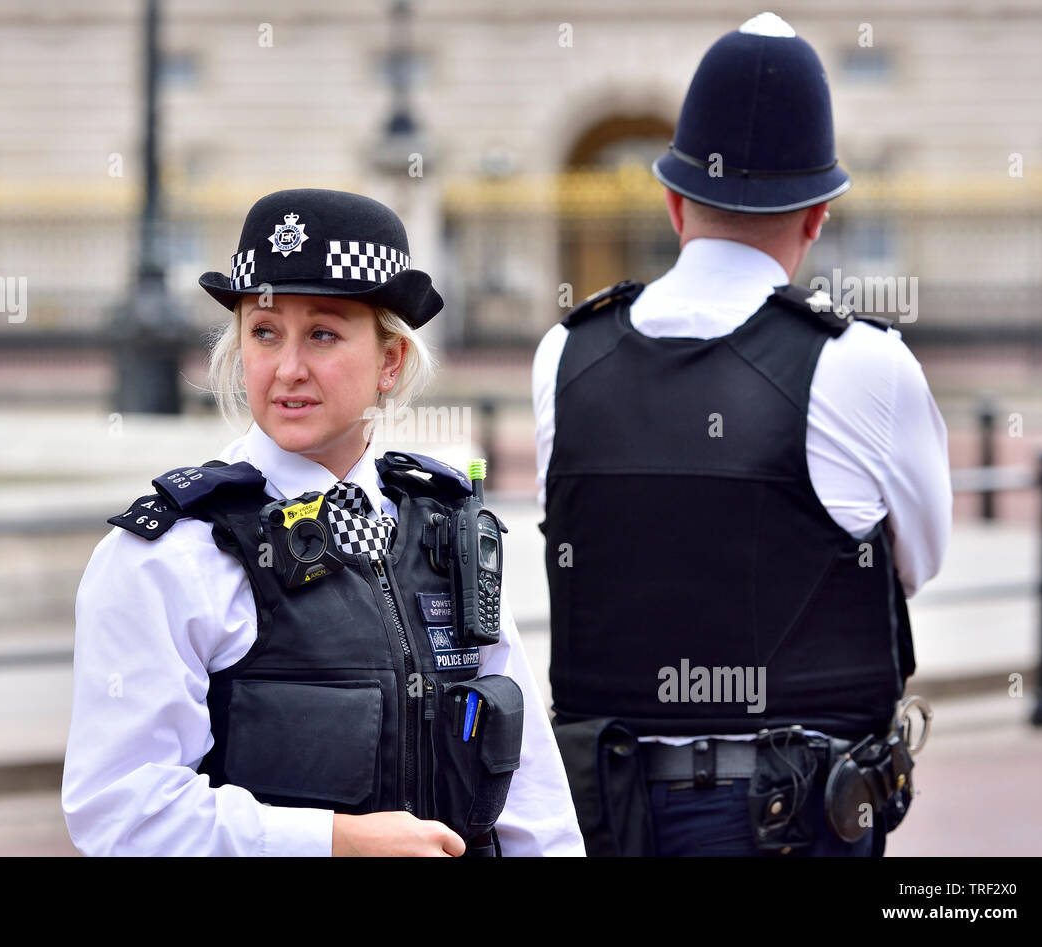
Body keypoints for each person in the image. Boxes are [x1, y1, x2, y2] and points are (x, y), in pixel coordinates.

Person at [533, 14, 951, 857]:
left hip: (608, 808)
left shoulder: (565, 352)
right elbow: (921, 559)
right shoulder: (866, 364)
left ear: (672, 198)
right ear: (820, 214)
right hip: (793, 814)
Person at [63, 187, 584, 856]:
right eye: (265, 331)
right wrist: (336, 840)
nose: (287, 368)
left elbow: (530, 791)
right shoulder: (171, 553)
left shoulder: (448, 526)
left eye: (323, 334)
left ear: (389, 361)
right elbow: (122, 811)